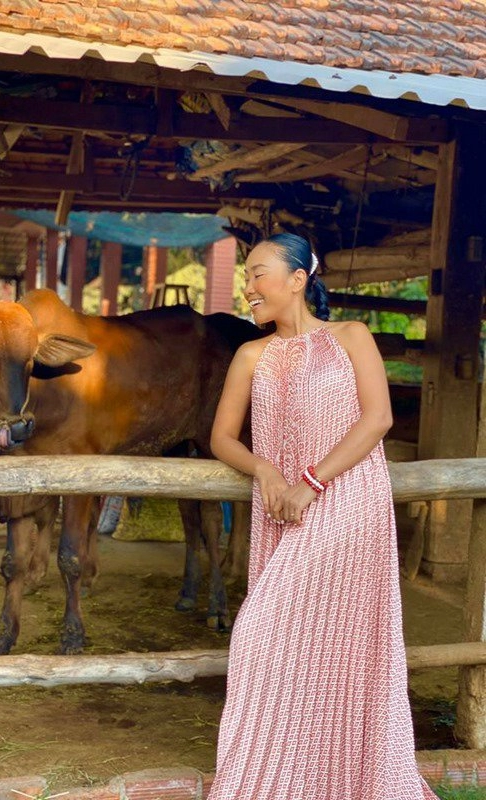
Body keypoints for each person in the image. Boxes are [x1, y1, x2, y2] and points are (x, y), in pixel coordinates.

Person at [207, 233, 438, 800]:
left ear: (297, 279)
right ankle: (294, 780)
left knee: (290, 638)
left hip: (348, 505)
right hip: (281, 510)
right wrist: (263, 471)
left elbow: (378, 419)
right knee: (275, 642)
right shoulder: (250, 355)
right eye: (247, 275)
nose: (249, 286)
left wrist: (311, 481)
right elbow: (220, 437)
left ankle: (344, 776)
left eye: (259, 273)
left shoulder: (351, 337)